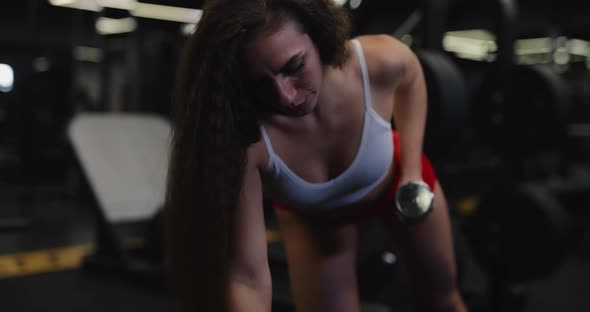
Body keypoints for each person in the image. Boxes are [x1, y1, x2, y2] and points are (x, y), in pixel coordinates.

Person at [164, 0, 468, 311]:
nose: (286, 96)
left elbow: (412, 77)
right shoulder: (247, 139)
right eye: (260, 83)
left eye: (294, 67)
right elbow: (247, 277)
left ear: (318, 36)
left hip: (395, 185)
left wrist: (413, 169)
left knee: (441, 299)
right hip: (315, 218)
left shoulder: (378, 59)